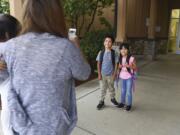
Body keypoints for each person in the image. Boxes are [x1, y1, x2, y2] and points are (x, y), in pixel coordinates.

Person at [0, 0, 91, 135]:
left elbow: (6, 78)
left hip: (21, 126)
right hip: (54, 127)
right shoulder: (66, 48)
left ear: (27, 14)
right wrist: (76, 46)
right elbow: (84, 73)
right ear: (56, 14)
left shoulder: (10, 47)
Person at [0, 13, 21, 135]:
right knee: (8, 114)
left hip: (6, 84)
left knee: (8, 113)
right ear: (8, 34)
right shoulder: (8, 46)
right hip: (7, 85)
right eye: (18, 32)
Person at [96, 35, 119, 110]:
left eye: (109, 41)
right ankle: (101, 101)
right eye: (106, 41)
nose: (107, 43)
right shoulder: (101, 52)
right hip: (103, 74)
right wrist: (99, 74)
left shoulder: (114, 53)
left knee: (111, 87)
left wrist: (115, 74)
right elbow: (98, 63)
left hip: (111, 74)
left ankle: (112, 98)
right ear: (104, 42)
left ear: (112, 43)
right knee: (103, 88)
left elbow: (116, 64)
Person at [117, 43, 137, 111]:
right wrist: (119, 67)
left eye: (125, 49)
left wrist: (129, 66)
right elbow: (119, 66)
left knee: (128, 91)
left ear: (128, 50)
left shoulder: (131, 58)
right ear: (120, 50)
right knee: (123, 90)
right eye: (122, 49)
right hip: (122, 76)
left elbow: (135, 67)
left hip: (129, 77)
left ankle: (129, 104)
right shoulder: (120, 58)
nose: (123, 50)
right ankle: (122, 102)